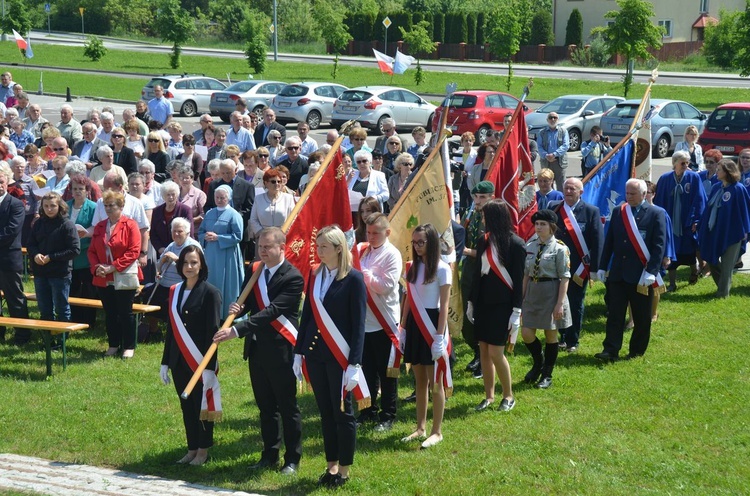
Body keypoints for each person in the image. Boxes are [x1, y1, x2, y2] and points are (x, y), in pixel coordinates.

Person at [213, 227, 304, 475]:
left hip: (282, 349)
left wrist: (237, 330)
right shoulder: (255, 271)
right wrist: (239, 309)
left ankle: (292, 458)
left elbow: (272, 312)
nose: (262, 251)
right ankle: (270, 454)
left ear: (282, 248)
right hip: (257, 349)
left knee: (287, 406)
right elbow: (251, 303)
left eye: (267, 247)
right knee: (265, 407)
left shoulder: (293, 277)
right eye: (260, 247)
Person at [294, 225, 367, 488]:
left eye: (323, 246)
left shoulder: (354, 279)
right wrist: (298, 352)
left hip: (340, 357)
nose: (318, 251)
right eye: (317, 246)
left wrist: (355, 363)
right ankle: (331, 465)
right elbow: (308, 317)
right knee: (326, 413)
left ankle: (344, 470)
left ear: (339, 248)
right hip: (316, 356)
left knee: (342, 414)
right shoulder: (315, 275)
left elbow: (359, 325)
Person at [160, 245, 222, 466]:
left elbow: (212, 333)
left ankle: (203, 451)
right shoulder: (175, 290)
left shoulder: (211, 293)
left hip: (200, 361)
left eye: (194, 262)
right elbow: (172, 330)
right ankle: (191, 448)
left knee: (201, 407)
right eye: (185, 262)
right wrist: (165, 361)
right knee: (187, 407)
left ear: (202, 265)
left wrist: (209, 367)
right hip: (178, 360)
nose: (189, 267)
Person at [596, 179, 667, 361]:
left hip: (641, 274)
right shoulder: (619, 212)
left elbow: (659, 245)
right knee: (615, 314)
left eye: (632, 194)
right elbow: (609, 241)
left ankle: (636, 350)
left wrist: (652, 271)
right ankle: (610, 350)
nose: (628, 197)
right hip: (619, 274)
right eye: (627, 193)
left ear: (644, 194)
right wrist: (603, 266)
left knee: (642, 316)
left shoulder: (656, 213)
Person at [469, 199, 525, 411]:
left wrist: (517, 310)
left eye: (485, 216)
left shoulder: (517, 244)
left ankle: (508, 395)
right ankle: (489, 395)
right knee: (483, 349)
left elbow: (518, 281)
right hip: (483, 302)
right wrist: (471, 301)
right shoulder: (484, 241)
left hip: (503, 305)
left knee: (495, 352)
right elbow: (477, 274)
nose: (483, 219)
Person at [400, 223, 452, 449]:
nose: (417, 246)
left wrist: (439, 337)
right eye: (414, 242)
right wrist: (402, 327)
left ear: (432, 243)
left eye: (421, 242)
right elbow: (409, 300)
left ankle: (436, 431)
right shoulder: (412, 267)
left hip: (432, 325)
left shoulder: (442, 269)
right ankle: (420, 427)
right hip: (414, 326)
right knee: (419, 380)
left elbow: (444, 305)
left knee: (435, 382)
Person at [354, 213, 403, 431]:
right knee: (366, 370)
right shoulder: (363, 250)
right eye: (369, 232)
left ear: (387, 232)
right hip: (365, 321)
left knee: (387, 371)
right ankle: (367, 410)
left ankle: (388, 414)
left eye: (376, 233)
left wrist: (364, 274)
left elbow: (387, 286)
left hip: (385, 321)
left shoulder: (392, 254)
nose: (371, 236)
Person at [549, 178, 604, 353]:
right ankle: (561, 336)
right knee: (557, 302)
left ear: (581, 192)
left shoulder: (591, 211)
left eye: (573, 188)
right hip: (556, 265)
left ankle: (573, 340)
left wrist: (594, 268)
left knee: (574, 302)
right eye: (566, 188)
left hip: (579, 267)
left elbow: (597, 241)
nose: (568, 191)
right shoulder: (554, 208)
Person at [520, 209, 571, 390]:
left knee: (551, 334)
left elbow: (565, 277)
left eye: (543, 224)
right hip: (533, 291)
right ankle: (538, 362)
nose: (539, 227)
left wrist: (559, 304)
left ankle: (547, 374)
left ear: (552, 227)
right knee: (526, 332)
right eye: (537, 224)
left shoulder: (560, 248)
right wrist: (522, 297)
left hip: (551, 291)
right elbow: (525, 274)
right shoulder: (530, 246)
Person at [88, 190, 142, 358]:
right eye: (106, 206)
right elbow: (91, 251)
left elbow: (134, 251)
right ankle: (113, 344)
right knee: (110, 313)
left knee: (125, 312)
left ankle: (128, 346)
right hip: (103, 277)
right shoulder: (100, 226)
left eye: (112, 205)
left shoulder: (130, 224)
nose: (109, 209)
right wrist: (97, 267)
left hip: (123, 275)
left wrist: (113, 267)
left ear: (121, 206)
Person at [27, 192, 80, 344]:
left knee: (61, 307)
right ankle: (47, 339)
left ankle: (61, 339)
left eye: (53, 206)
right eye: (46, 206)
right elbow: (30, 243)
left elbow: (74, 249)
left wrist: (51, 257)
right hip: (40, 272)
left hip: (60, 273)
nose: (49, 209)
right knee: (44, 308)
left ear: (60, 206)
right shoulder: (39, 223)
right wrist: (36, 254)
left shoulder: (67, 224)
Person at [653, 150, 706, 291]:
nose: (686, 165)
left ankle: (694, 271)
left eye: (687, 162)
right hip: (671, 221)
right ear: (674, 163)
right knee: (671, 250)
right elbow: (659, 201)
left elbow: (699, 200)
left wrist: (696, 220)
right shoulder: (665, 179)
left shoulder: (693, 178)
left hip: (686, 221)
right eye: (683, 163)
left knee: (689, 250)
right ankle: (672, 284)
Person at [698, 159, 750, 298]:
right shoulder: (716, 187)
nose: (717, 171)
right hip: (715, 230)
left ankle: (722, 294)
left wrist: (745, 230)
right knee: (711, 259)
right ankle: (722, 284)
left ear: (728, 172)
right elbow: (708, 209)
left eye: (720, 169)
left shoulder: (738, 189)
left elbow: (744, 210)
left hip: (733, 232)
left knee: (727, 266)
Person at [460, 181, 494, 377]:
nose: (478, 200)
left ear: (491, 197)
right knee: (466, 315)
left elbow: (493, 249)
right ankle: (476, 352)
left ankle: (484, 359)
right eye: (476, 196)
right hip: (469, 270)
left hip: (486, 272)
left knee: (480, 316)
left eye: (483, 197)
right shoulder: (471, 214)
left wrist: (468, 251)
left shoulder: (493, 218)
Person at [198, 185, 244, 318]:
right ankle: (211, 312)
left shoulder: (234, 215)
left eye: (222, 197)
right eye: (216, 197)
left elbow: (238, 236)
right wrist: (205, 237)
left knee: (228, 284)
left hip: (227, 255)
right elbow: (201, 231)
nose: (219, 200)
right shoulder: (210, 213)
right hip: (211, 254)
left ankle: (227, 314)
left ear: (228, 198)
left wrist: (218, 238)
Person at [0, 166, 30, 344]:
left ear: (7, 183)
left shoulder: (16, 204)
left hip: (8, 260)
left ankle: (23, 335)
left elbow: (11, 231)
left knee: (15, 298)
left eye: (1, 182)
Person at [67, 176, 98, 328]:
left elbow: (96, 228)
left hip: (86, 254)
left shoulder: (94, 207)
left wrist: (85, 234)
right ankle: (74, 319)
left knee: (87, 288)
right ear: (71, 191)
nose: (78, 192)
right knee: (71, 287)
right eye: (75, 189)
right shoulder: (65, 206)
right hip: (68, 255)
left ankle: (88, 322)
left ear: (87, 191)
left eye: (81, 189)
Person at [250, 169, 295, 253]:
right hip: (263, 239)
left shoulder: (288, 198)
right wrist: (262, 234)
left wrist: (283, 233)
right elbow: (253, 219)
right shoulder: (258, 199)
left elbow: (293, 219)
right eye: (273, 182)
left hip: (282, 239)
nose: (277, 184)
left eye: (279, 181)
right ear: (266, 183)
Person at [537, 112, 569, 192]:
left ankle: (560, 202)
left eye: (555, 117)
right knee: (547, 184)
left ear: (558, 119)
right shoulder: (542, 132)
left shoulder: (563, 131)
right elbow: (539, 147)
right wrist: (546, 156)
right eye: (551, 117)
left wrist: (554, 154)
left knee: (561, 185)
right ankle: (548, 202)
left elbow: (566, 145)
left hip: (559, 162)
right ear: (547, 120)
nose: (553, 119)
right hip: (546, 162)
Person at [177, 165, 206, 230]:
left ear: (192, 179)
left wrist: (189, 221)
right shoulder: (175, 193)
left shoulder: (200, 194)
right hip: (176, 230)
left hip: (193, 230)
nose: (184, 180)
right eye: (182, 178)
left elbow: (203, 215)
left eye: (187, 178)